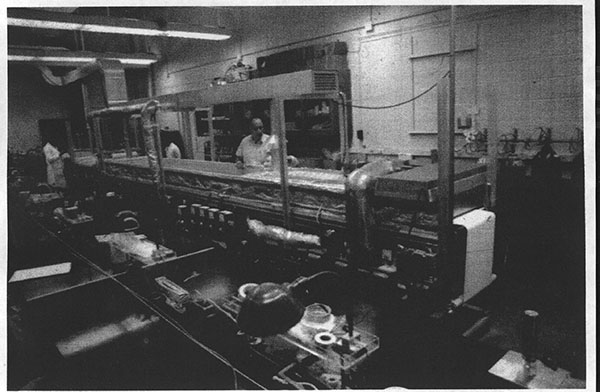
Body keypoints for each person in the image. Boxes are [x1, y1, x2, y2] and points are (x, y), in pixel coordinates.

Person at [235, 118, 299, 169]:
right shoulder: (245, 141)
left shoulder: (271, 140)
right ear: (250, 129)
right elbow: (238, 157)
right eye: (256, 129)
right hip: (248, 175)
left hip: (265, 175)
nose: (259, 131)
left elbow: (281, 158)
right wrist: (238, 162)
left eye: (260, 128)